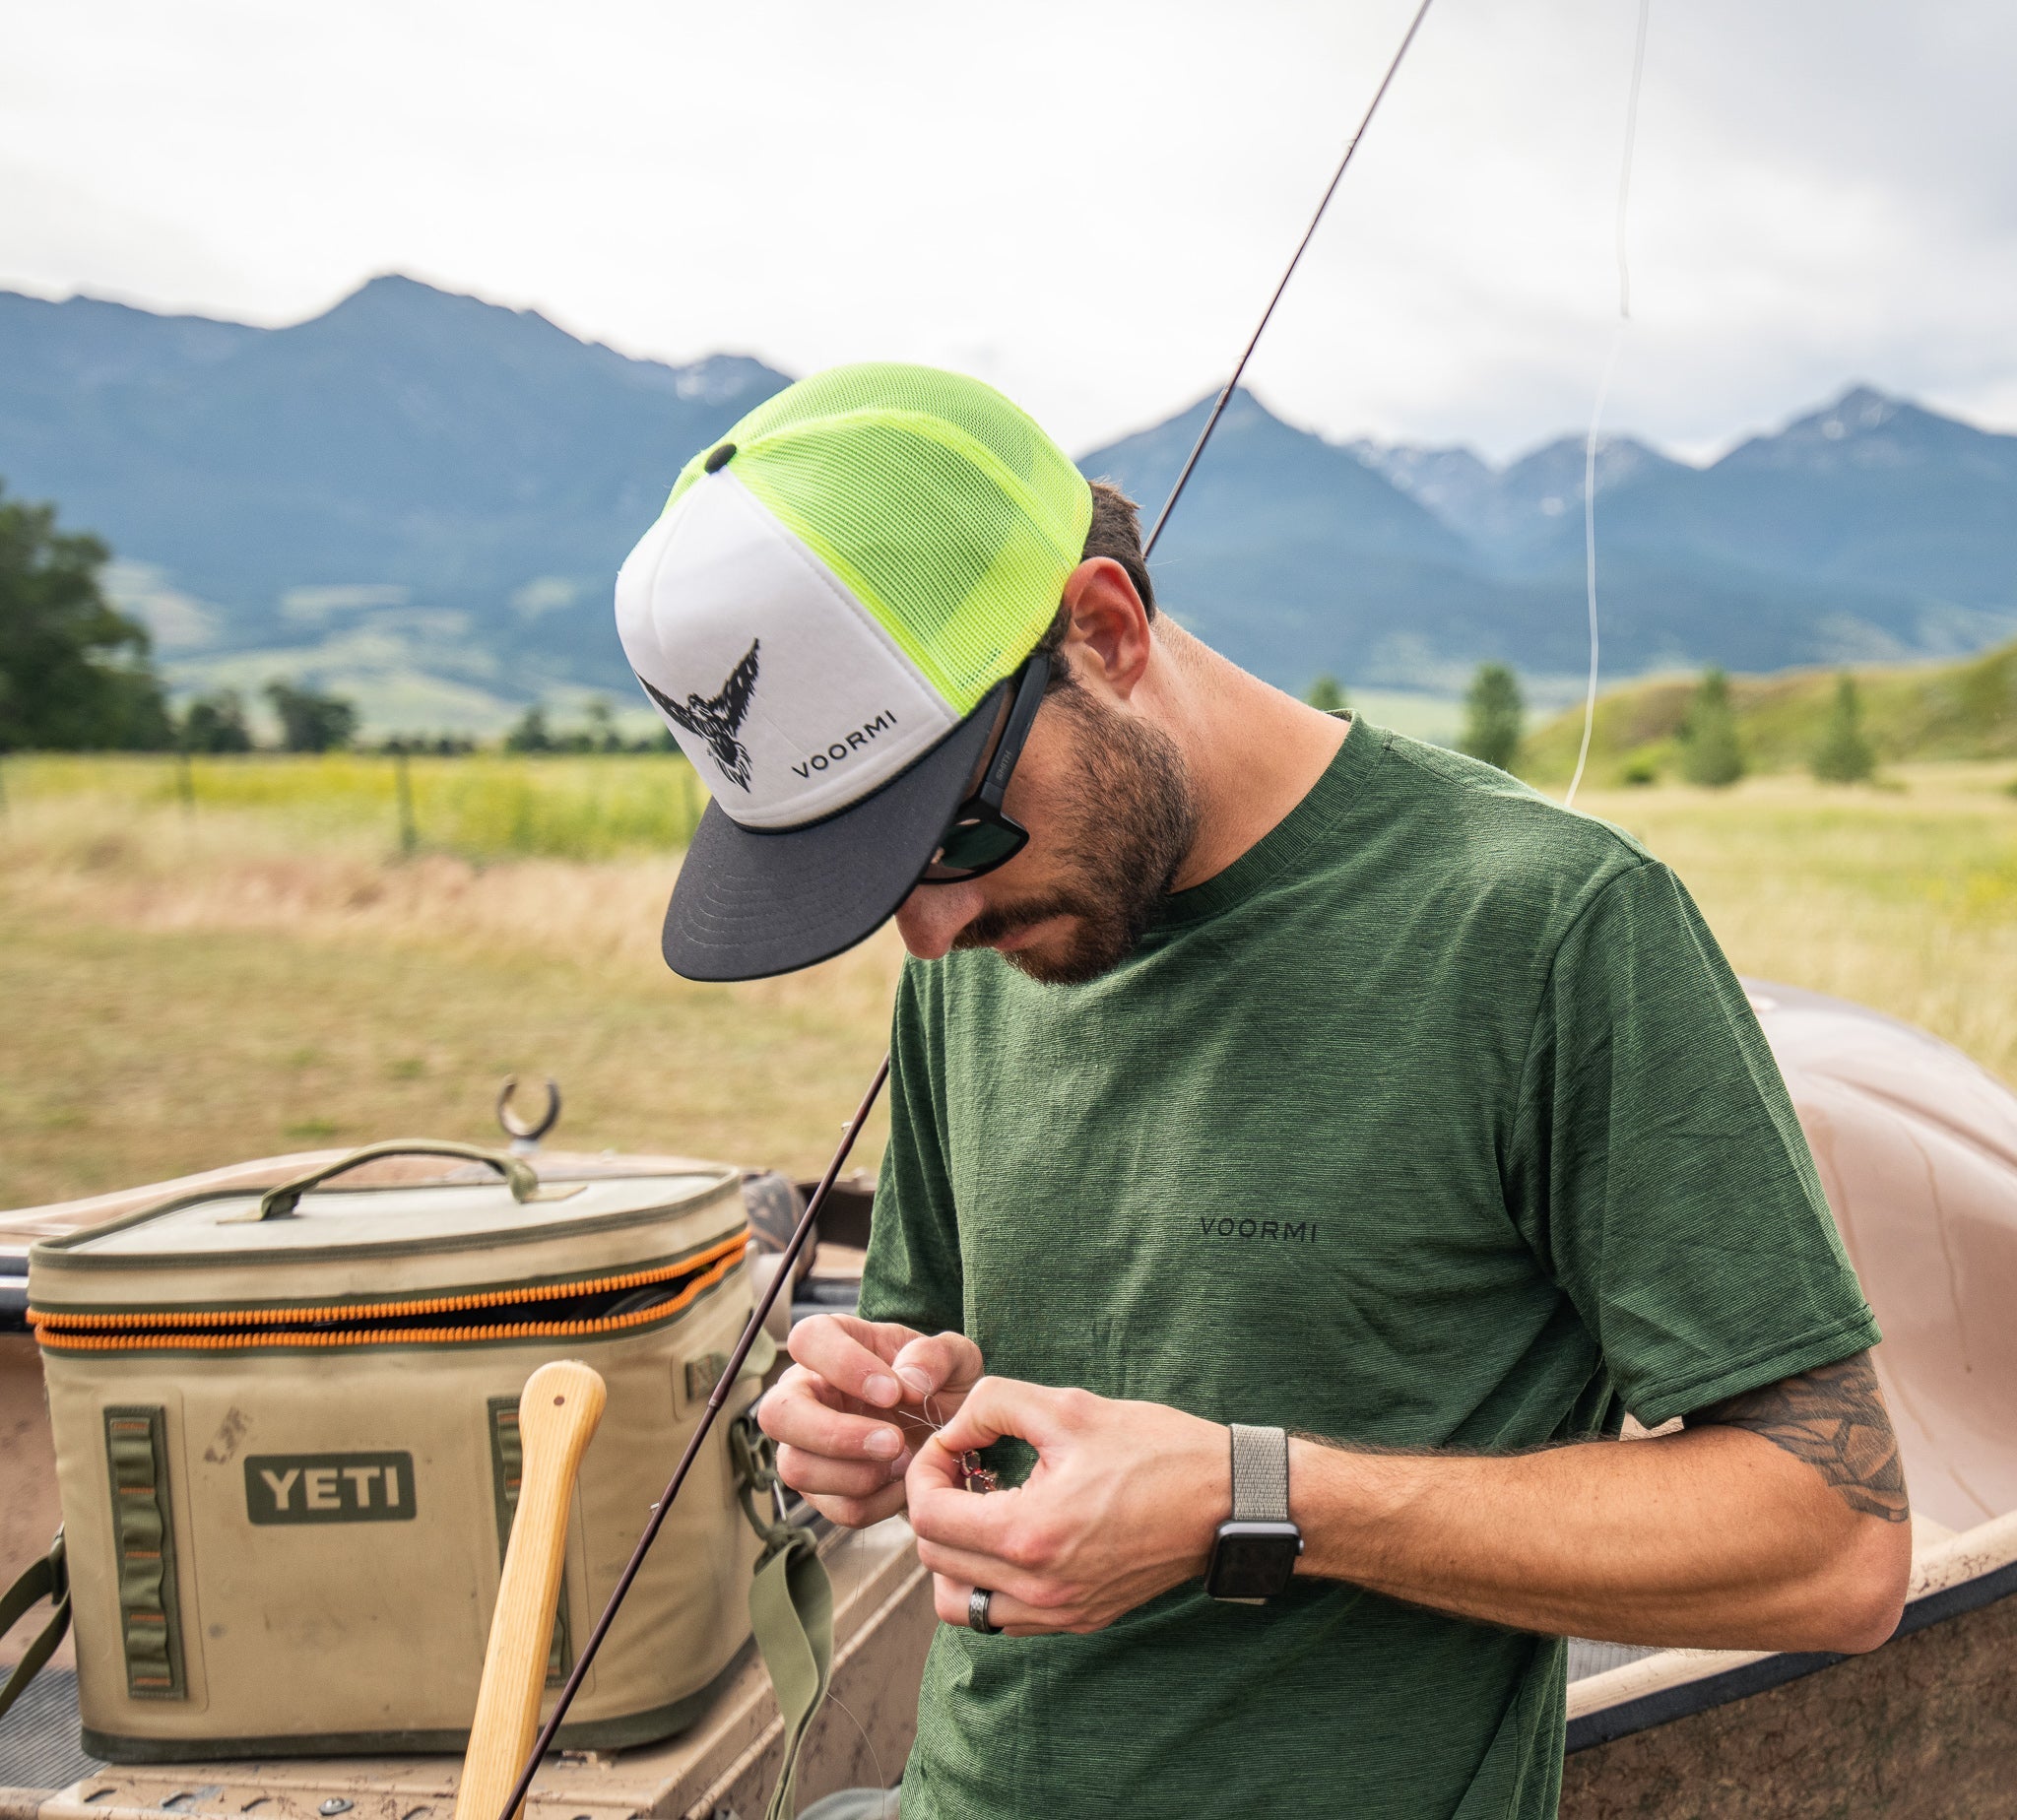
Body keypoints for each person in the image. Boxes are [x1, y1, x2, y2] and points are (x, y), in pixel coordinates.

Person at [615, 363, 1912, 1819]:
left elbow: (1835, 1543)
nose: (928, 933)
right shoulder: (976, 946)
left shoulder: (1545, 930)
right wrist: (865, 1422)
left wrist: (1253, 1501)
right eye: (872, 881)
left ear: (1105, 630)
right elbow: (946, 1353)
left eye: (950, 839)